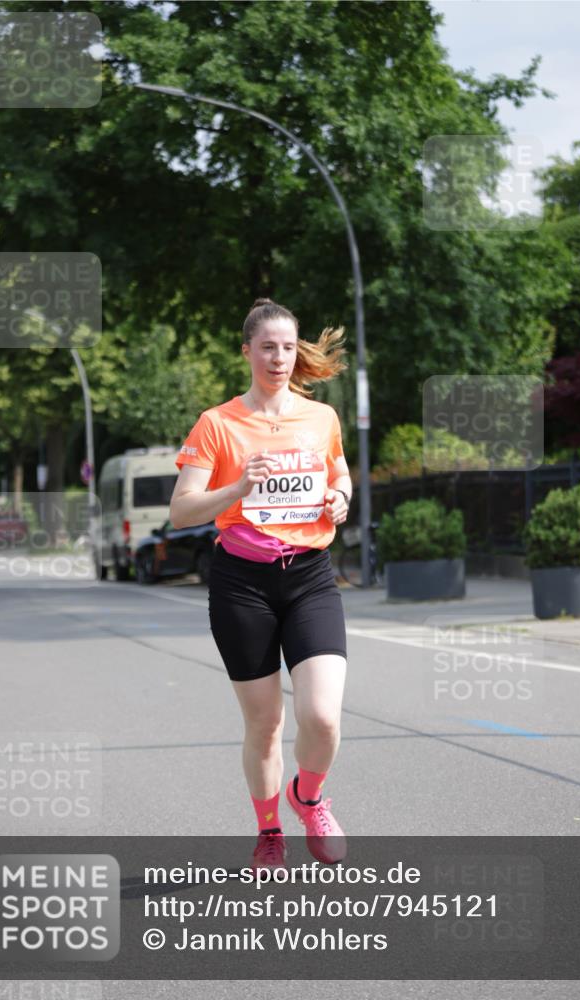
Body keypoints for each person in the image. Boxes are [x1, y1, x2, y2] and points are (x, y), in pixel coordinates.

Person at [170, 297, 353, 873]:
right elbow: (181, 512)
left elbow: (340, 470)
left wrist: (341, 497)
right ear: (247, 351)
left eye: (288, 347)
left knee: (322, 716)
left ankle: (310, 798)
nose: (279, 357)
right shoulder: (218, 424)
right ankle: (269, 829)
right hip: (241, 584)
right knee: (266, 723)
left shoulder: (320, 418)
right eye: (268, 347)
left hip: (309, 577)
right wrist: (237, 488)